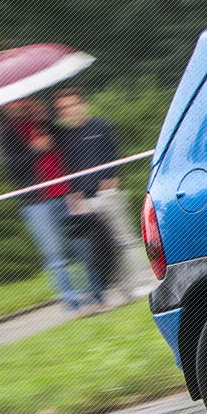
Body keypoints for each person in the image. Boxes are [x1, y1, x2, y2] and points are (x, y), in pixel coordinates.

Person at [0, 97, 96, 310]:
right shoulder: (6, 134)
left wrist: (45, 118)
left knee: (83, 246)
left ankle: (95, 296)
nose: (20, 106)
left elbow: (70, 147)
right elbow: (10, 169)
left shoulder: (46, 124)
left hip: (68, 194)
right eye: (14, 103)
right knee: (55, 254)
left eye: (23, 102)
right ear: (7, 106)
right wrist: (35, 149)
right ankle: (72, 304)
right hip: (37, 202)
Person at [54, 88, 142, 302]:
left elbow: (112, 153)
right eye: (64, 108)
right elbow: (63, 168)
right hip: (83, 202)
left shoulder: (99, 125)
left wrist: (110, 180)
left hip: (107, 194)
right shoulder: (62, 137)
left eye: (73, 104)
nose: (70, 110)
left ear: (82, 104)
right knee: (101, 248)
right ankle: (118, 291)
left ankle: (137, 286)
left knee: (125, 241)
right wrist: (74, 196)